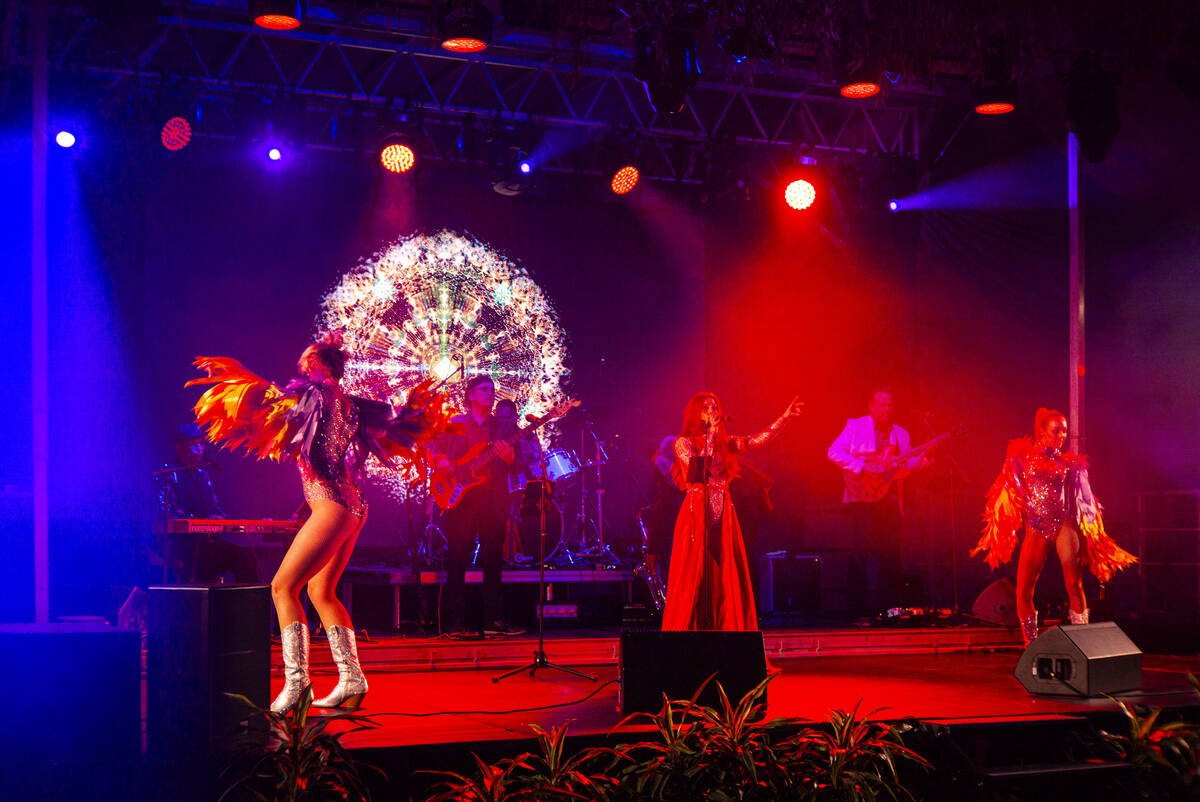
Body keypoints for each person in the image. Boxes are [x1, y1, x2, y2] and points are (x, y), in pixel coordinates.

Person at [188, 334, 454, 713]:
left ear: (316, 366)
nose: (300, 369)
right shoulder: (351, 405)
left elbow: (292, 421)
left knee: (283, 587)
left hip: (332, 505)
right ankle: (352, 679)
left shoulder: (316, 395)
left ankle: (297, 685)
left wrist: (252, 393)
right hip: (350, 505)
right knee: (321, 592)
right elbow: (336, 451)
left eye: (305, 364)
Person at [971, 408, 1137, 645]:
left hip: (1063, 526)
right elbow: (1006, 489)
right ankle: (1031, 643)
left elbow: (1086, 500)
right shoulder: (1021, 457)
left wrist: (1093, 532)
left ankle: (1081, 642)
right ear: (1041, 431)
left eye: (1064, 431)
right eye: (1056, 430)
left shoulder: (1070, 464)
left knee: (1074, 584)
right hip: (1036, 528)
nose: (1061, 436)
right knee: (1023, 590)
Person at [662, 392, 803, 631]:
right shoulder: (683, 443)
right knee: (696, 569)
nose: (712, 411)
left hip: (724, 510)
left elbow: (758, 440)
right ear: (695, 414)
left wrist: (785, 418)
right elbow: (697, 471)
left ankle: (724, 625)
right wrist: (711, 435)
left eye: (715, 407)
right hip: (697, 511)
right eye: (706, 408)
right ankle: (692, 627)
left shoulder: (725, 444)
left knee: (724, 570)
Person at [430, 377, 530, 636]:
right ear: (471, 395)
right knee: (457, 558)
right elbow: (434, 447)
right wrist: (441, 459)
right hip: (460, 499)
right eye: (484, 390)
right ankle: (454, 623)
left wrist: (510, 458)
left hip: (492, 500)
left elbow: (520, 464)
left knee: (493, 560)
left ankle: (493, 620)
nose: (490, 393)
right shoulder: (455, 423)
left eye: (492, 390)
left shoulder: (505, 427)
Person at [827, 387, 931, 620]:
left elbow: (906, 466)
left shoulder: (901, 434)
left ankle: (889, 609)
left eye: (890, 405)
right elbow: (833, 452)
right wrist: (862, 467)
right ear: (871, 406)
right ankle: (857, 610)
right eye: (882, 405)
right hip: (862, 497)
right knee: (861, 551)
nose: (886, 409)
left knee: (891, 553)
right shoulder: (856, 426)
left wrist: (925, 459)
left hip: (890, 499)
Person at [155, 423, 258, 583]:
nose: (198, 449)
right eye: (192, 443)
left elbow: (214, 508)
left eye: (201, 444)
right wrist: (201, 521)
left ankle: (246, 600)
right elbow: (168, 512)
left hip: (208, 542)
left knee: (245, 558)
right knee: (205, 563)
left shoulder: (202, 474)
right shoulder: (168, 473)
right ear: (178, 446)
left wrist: (230, 521)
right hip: (182, 543)